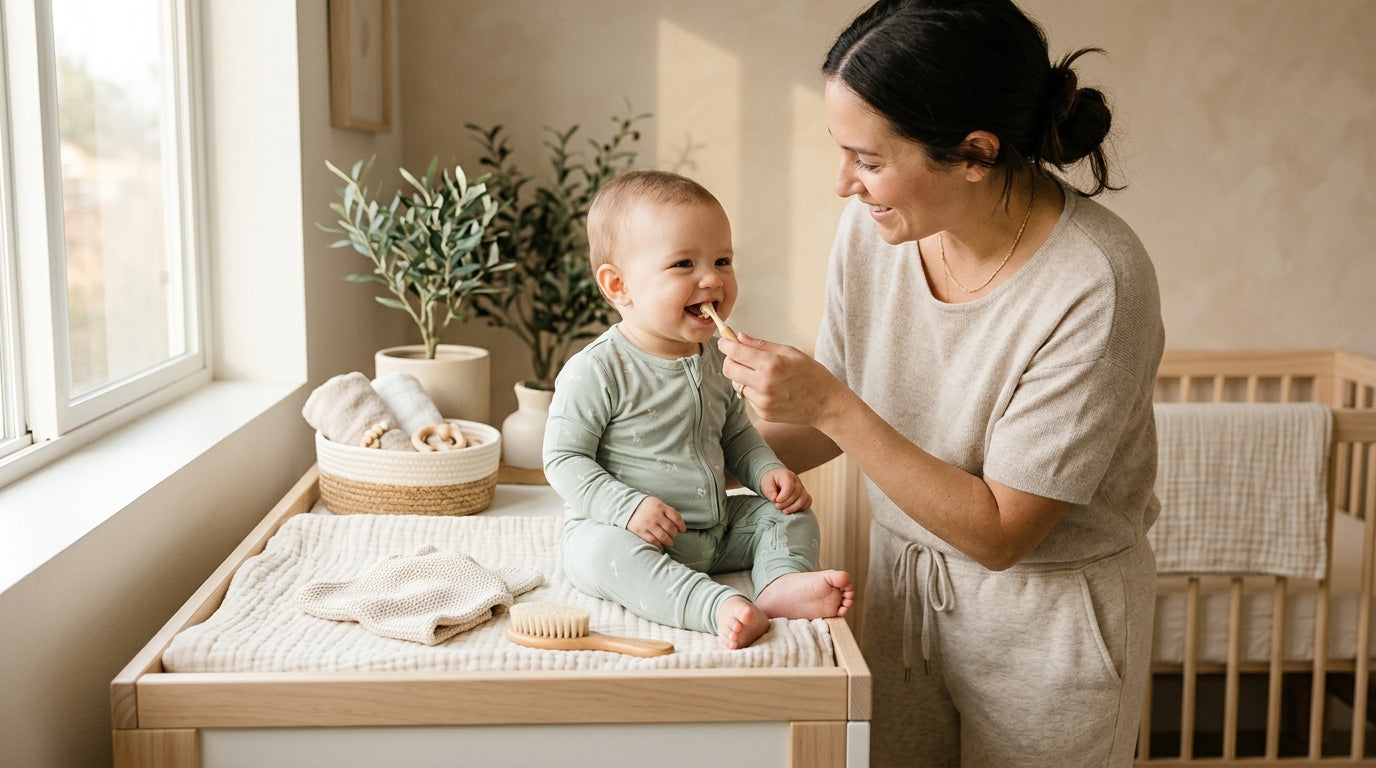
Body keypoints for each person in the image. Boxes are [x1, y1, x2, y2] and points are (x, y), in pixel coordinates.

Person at [716, 0, 1164, 764]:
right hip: (901, 596)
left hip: (1048, 628)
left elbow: (999, 533)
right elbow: (826, 426)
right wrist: (671, 448)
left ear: (974, 152)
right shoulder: (876, 228)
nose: (843, 184)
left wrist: (831, 401)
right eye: (841, 150)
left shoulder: (1097, 283)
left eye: (869, 158)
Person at [543, 169, 855, 650]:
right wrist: (628, 510)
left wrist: (767, 471)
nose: (712, 278)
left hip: (714, 529)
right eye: (684, 264)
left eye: (723, 260)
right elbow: (563, 460)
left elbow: (735, 435)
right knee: (600, 554)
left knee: (790, 515)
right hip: (630, 533)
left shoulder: (713, 357)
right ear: (618, 285)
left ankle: (778, 585)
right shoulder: (599, 369)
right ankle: (713, 606)